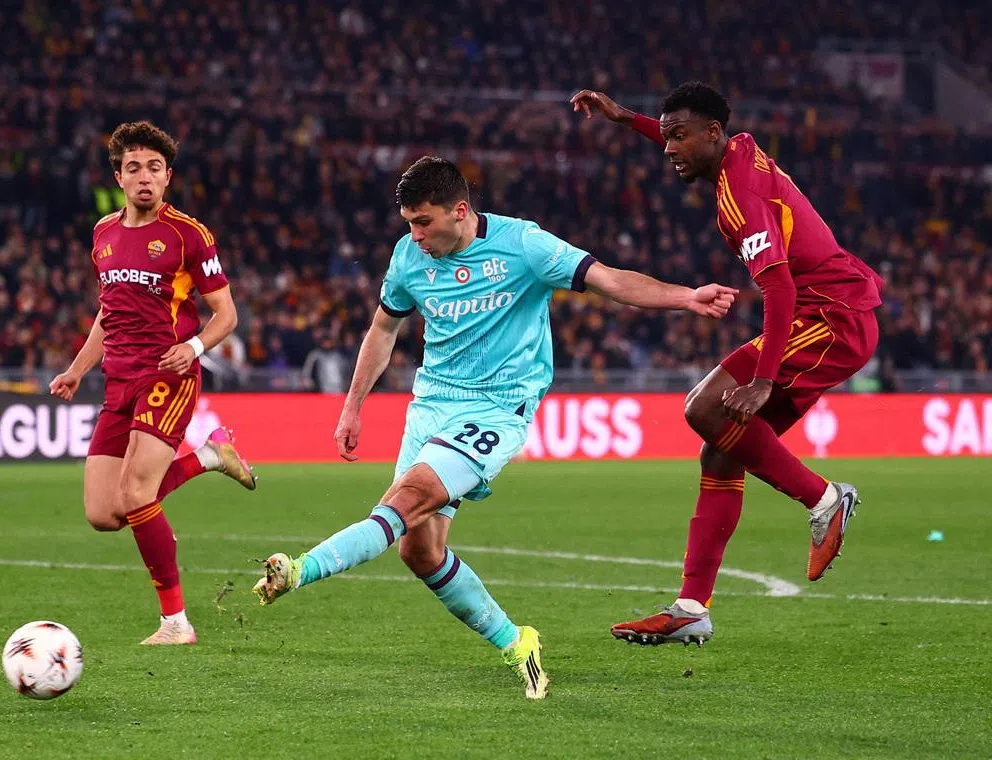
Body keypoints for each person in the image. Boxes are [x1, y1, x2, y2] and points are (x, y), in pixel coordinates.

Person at [251, 156, 737, 698]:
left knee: (406, 498)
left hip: (497, 410)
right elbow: (384, 327)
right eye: (408, 223)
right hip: (431, 405)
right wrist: (352, 405)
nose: (414, 235)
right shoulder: (409, 256)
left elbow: (609, 281)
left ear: (460, 211)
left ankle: (298, 570)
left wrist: (685, 297)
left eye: (423, 222)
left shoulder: (524, 246)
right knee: (420, 551)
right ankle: (516, 641)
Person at [571, 82, 883, 646]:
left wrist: (765, 381)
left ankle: (825, 499)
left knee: (704, 407)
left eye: (678, 138)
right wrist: (628, 120)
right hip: (833, 313)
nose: (669, 148)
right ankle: (692, 607)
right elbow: (689, 132)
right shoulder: (736, 149)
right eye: (665, 138)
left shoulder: (738, 196)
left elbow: (780, 288)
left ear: (713, 134)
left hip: (830, 317)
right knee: (720, 445)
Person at [49, 121, 257, 646]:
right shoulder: (103, 234)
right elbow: (108, 312)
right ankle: (210, 457)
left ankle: (175, 623)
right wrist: (77, 369)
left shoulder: (189, 235)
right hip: (115, 380)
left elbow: (225, 314)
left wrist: (193, 348)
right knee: (104, 514)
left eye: (155, 168)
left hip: (169, 374)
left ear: (168, 178)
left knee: (137, 492)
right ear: (119, 177)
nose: (145, 176)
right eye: (134, 167)